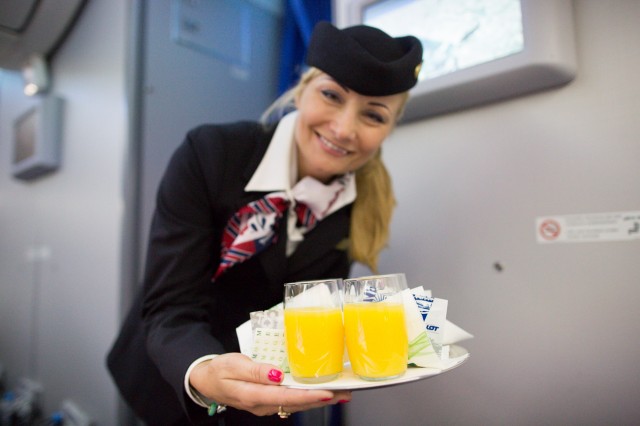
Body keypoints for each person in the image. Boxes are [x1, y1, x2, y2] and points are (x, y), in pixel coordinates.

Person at [107, 21, 423, 425]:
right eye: (331, 95)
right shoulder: (210, 154)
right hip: (172, 376)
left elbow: (307, 316)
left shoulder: (357, 205)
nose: (344, 129)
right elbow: (170, 306)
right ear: (301, 88)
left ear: (389, 129)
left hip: (265, 397)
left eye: (373, 116)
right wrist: (202, 368)